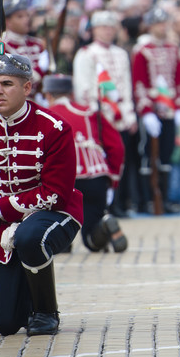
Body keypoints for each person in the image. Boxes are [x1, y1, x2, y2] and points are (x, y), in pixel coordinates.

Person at [0, 53, 83, 336]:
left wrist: (3, 207)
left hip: (54, 213)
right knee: (6, 324)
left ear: (27, 88)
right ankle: (27, 294)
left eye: (7, 83)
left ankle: (46, 311)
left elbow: (56, 193)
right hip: (1, 222)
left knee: (31, 236)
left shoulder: (54, 127)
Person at [43, 74, 127, 253]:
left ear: (48, 95)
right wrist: (113, 177)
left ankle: (63, 243)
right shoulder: (90, 112)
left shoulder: (44, 116)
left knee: (58, 228)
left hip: (62, 180)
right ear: (72, 93)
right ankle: (103, 226)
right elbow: (117, 147)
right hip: (95, 177)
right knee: (92, 239)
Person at [72, 10, 139, 216]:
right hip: (99, 117)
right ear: (93, 30)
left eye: (111, 27)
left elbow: (126, 87)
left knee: (121, 160)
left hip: (120, 116)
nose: (107, 31)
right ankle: (106, 205)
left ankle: (121, 202)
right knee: (103, 162)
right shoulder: (86, 53)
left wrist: (129, 114)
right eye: (103, 27)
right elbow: (83, 88)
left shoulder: (120, 53)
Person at [132, 7, 180, 214]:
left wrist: (178, 105)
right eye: (159, 24)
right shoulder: (142, 50)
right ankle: (147, 199)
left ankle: (164, 197)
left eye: (165, 23)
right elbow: (139, 82)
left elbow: (179, 80)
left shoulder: (173, 49)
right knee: (148, 155)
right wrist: (146, 110)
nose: (163, 27)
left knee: (167, 153)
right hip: (152, 110)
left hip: (170, 109)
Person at [0, 0, 50, 94]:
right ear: (8, 22)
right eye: (20, 17)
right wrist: (40, 70)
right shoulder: (1, 48)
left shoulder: (38, 44)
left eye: (27, 15)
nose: (26, 19)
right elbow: (12, 79)